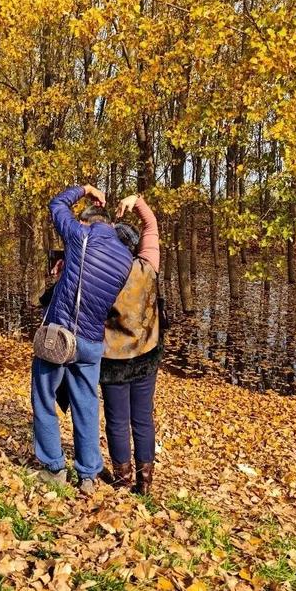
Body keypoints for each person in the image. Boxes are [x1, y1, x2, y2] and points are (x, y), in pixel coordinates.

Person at [31, 184, 133, 495]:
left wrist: (86, 189)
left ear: (85, 221)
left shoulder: (80, 235)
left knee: (43, 398)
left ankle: (54, 467)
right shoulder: (125, 258)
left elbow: (56, 204)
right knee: (86, 406)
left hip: (61, 335)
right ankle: (88, 474)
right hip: (91, 343)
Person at [100, 193, 161, 496]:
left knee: (117, 421)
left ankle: (123, 479)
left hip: (113, 359)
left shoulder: (101, 274)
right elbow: (151, 227)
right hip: (146, 355)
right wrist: (136, 201)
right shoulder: (148, 265)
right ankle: (144, 482)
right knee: (143, 419)